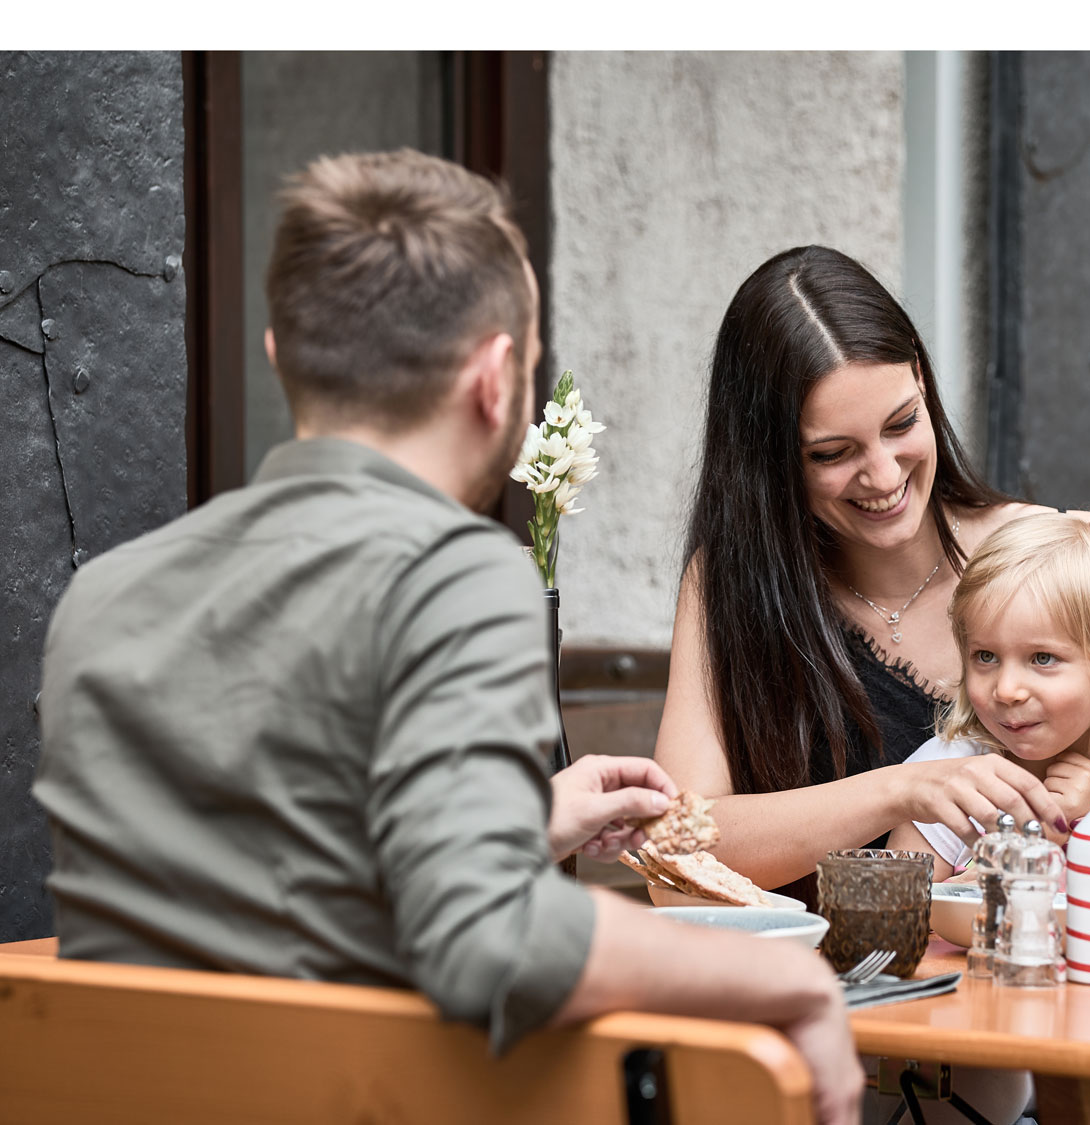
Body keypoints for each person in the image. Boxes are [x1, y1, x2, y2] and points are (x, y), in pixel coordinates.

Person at [33, 151, 862, 1125]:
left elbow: (256, 900)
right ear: (495, 377)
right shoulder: (457, 572)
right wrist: (798, 987)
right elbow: (491, 941)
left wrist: (517, 822)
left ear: (276, 355)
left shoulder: (103, 596)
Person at [654, 245, 1090, 924]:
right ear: (768, 462)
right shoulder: (731, 587)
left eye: (901, 424)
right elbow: (674, 858)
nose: (883, 475)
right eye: (833, 453)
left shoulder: (1082, 563)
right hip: (849, 1001)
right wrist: (905, 789)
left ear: (925, 384)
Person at [887, 514, 1090, 943]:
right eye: (985, 656)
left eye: (1042, 658)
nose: (1006, 690)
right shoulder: (949, 771)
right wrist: (1010, 860)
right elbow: (897, 915)